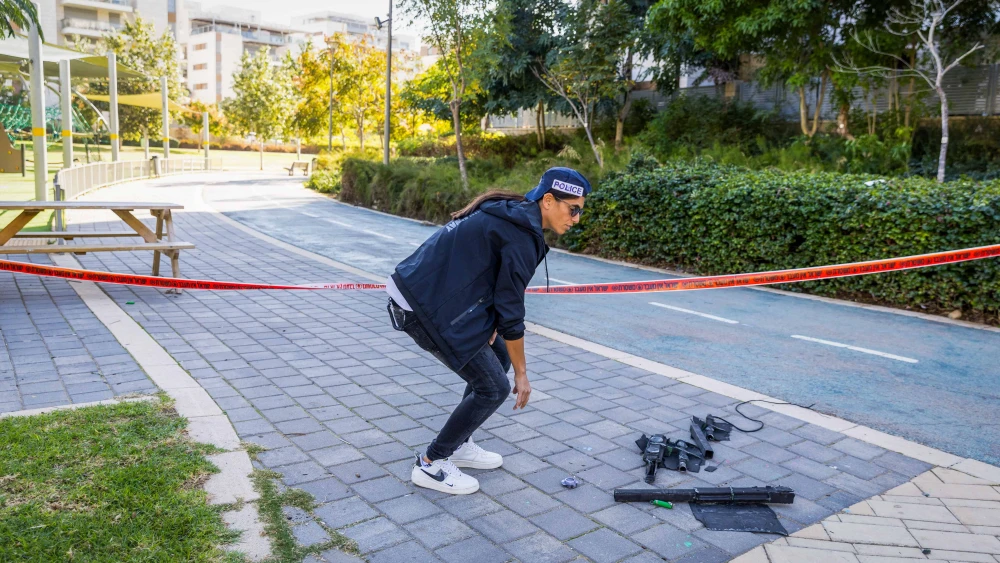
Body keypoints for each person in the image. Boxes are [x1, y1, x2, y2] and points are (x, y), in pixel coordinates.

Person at [386, 167, 591, 494]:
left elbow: (492, 282)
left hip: (429, 296)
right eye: (574, 209)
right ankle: (431, 463)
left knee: (497, 358)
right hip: (419, 304)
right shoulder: (521, 233)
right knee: (495, 387)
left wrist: (489, 323)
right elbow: (511, 310)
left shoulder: (514, 216)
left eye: (581, 210)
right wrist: (523, 374)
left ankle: (460, 444)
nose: (577, 217)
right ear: (549, 201)